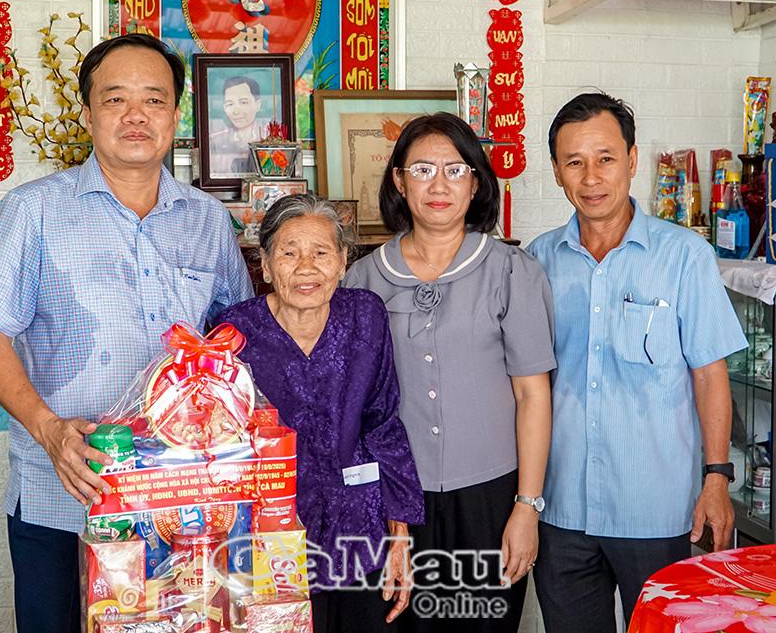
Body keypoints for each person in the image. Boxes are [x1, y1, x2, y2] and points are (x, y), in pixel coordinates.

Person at [0, 34, 254, 633]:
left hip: (179, 499)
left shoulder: (207, 220)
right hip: (64, 491)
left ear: (176, 116)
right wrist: (49, 431)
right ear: (89, 114)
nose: (136, 115)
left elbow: (236, 337)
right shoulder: (33, 210)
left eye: (154, 99)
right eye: (116, 99)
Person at [527, 92, 748, 632]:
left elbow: (709, 374)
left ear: (631, 159)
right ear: (556, 171)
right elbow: (527, 385)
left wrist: (716, 479)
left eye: (605, 158)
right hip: (561, 508)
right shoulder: (537, 261)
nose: (591, 178)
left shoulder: (685, 256)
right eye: (574, 162)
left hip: (657, 509)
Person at [345, 112, 555, 633]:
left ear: (476, 182)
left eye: (455, 170)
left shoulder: (512, 271)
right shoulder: (362, 280)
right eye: (422, 170)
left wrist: (526, 508)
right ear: (399, 180)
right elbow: (351, 404)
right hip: (394, 502)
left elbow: (533, 396)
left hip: (491, 497)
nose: (439, 185)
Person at [218, 194, 425, 633]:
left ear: (343, 261)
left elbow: (383, 422)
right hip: (269, 539)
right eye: (289, 253)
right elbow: (219, 445)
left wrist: (400, 531)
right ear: (265, 265)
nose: (306, 267)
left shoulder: (365, 315)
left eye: (321, 253)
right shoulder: (233, 332)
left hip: (359, 528)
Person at [209, 75, 268, 176]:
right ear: (224, 108)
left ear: (257, 105)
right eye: (230, 104)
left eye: (243, 102)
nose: (236, 111)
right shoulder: (215, 141)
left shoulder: (270, 139)